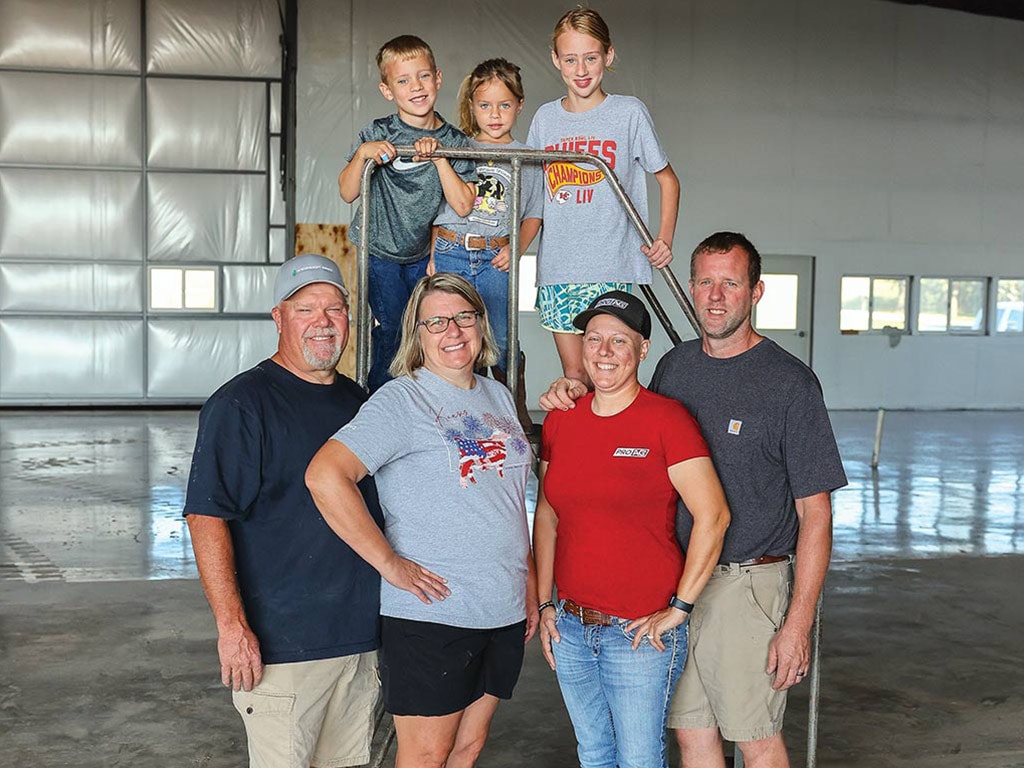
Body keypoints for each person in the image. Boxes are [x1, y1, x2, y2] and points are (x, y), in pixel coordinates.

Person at [540, 232, 848, 768]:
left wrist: (798, 622)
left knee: (754, 736)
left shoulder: (790, 384)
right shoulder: (676, 367)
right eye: (705, 281)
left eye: (730, 282)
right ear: (690, 286)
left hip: (747, 584)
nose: (715, 295)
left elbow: (815, 514)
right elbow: (622, 417)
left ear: (756, 292)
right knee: (691, 734)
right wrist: (572, 389)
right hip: (677, 586)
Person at [305, 273, 538, 768]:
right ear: (416, 332)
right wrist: (389, 564)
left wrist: (530, 585)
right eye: (436, 321)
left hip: (502, 605)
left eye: (463, 317)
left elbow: (510, 502)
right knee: (427, 754)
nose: (452, 331)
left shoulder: (497, 396)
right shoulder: (401, 400)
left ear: (481, 325)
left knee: (468, 749)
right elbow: (326, 475)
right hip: (433, 614)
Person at [183, 254, 383, 768]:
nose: (323, 321)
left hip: (359, 643)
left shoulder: (359, 404)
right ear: (279, 317)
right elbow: (207, 516)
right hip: (284, 649)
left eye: (335, 309)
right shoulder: (241, 405)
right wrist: (231, 627)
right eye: (306, 309)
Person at [533, 290, 730, 768]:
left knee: (639, 759)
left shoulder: (666, 421)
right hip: (572, 627)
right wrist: (544, 604)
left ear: (642, 350)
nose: (603, 352)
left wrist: (679, 608)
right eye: (594, 339)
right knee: (595, 754)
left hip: (640, 633)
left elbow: (715, 515)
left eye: (619, 341)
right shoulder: (561, 420)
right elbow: (548, 513)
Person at [527, 6, 680, 386]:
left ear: (608, 56)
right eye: (571, 59)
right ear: (556, 60)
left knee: (610, 376)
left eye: (591, 58)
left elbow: (668, 180)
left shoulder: (628, 113)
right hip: (559, 269)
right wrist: (514, 247)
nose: (581, 70)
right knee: (576, 375)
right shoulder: (545, 119)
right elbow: (532, 197)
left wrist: (664, 239)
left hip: (611, 266)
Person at [339, 34, 477, 393]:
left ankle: (419, 398)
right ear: (387, 90)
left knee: (423, 326)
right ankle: (379, 400)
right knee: (394, 325)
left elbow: (463, 205)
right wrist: (363, 154)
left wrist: (440, 156)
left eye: (423, 76)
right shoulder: (379, 131)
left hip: (421, 253)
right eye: (403, 81)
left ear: (438, 78)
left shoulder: (455, 140)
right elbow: (347, 191)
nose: (416, 87)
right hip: (380, 248)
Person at [428, 57, 543, 431]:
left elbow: (534, 214)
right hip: (452, 250)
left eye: (504, 105)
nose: (495, 115)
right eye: (485, 105)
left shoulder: (528, 158)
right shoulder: (459, 148)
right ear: (473, 106)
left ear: (519, 105)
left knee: (502, 336)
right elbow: (438, 208)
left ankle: (514, 407)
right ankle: (463, 410)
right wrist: (433, 256)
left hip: (496, 254)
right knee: (455, 332)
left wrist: (518, 248)